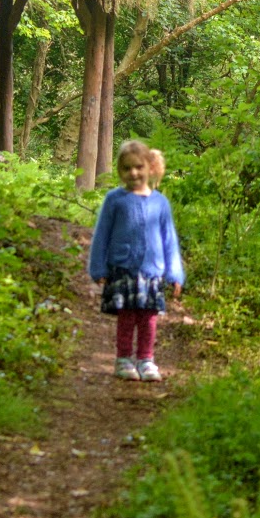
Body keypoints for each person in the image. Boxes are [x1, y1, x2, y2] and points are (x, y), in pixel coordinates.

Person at [88, 139, 184, 382]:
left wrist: (174, 274)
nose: (133, 173)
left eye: (139, 167)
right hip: (123, 269)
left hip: (152, 273)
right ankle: (123, 359)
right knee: (127, 316)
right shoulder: (115, 200)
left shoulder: (160, 202)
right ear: (120, 171)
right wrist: (98, 267)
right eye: (127, 168)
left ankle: (146, 359)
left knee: (148, 318)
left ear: (150, 167)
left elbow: (169, 240)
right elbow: (102, 235)